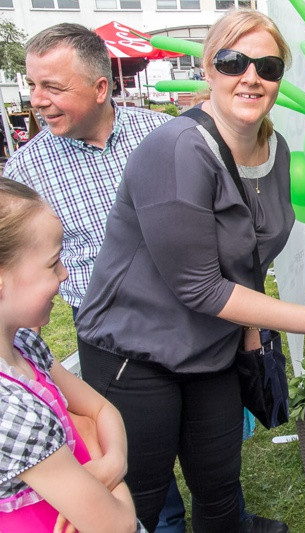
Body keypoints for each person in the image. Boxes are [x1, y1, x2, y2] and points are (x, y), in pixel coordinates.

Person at [75, 9, 305, 533]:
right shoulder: (176, 148)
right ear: (208, 69)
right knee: (138, 498)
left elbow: (248, 258)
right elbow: (199, 285)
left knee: (219, 482)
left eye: (267, 65)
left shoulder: (277, 149)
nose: (251, 76)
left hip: (209, 346)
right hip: (136, 350)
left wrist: (249, 336)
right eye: (233, 60)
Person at [2, 23, 189, 532]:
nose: (38, 101)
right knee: (143, 464)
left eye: (53, 87)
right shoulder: (26, 171)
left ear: (101, 88)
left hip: (186, 320)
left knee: (200, 434)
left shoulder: (163, 134)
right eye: (33, 85)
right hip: (109, 336)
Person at [0, 178, 143, 533]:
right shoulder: (9, 412)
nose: (65, 273)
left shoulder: (25, 346)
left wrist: (113, 463)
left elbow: (102, 410)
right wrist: (93, 440)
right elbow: (118, 525)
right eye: (52, 264)